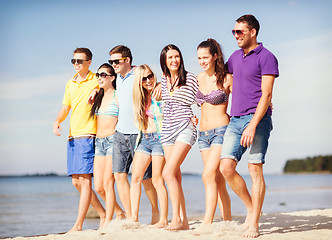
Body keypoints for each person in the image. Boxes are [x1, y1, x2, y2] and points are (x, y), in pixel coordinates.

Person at [219, 14, 279, 238]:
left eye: (239, 31)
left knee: (254, 169)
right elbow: (222, 75)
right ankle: (252, 209)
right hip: (235, 120)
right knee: (225, 168)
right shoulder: (235, 57)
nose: (236, 35)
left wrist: (253, 125)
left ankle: (253, 223)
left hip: (258, 120)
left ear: (252, 32)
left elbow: (267, 94)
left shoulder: (267, 57)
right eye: (234, 32)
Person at [53, 48, 106, 232]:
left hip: (88, 134)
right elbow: (65, 108)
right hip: (72, 136)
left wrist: (97, 90)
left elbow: (108, 82)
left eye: (80, 61)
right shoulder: (70, 83)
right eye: (73, 61)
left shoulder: (95, 78)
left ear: (89, 62)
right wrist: (57, 121)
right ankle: (104, 213)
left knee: (85, 181)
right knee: (76, 182)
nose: (76, 64)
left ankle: (78, 225)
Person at [107, 45, 159, 223]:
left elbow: (152, 81)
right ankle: (131, 217)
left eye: (116, 61)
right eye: (111, 61)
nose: (113, 64)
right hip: (120, 133)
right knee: (119, 174)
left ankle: (155, 212)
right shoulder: (118, 79)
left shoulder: (138, 74)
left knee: (146, 179)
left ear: (127, 60)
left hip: (139, 134)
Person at [193, 39, 232, 234]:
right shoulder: (198, 78)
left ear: (215, 56)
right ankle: (227, 221)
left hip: (221, 131)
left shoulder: (226, 78)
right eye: (199, 58)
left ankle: (207, 222)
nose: (202, 61)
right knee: (217, 179)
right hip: (203, 134)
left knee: (207, 175)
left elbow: (243, 97)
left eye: (205, 57)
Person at [159, 44, 198, 230]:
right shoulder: (163, 80)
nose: (174, 60)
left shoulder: (190, 78)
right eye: (170, 57)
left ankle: (176, 219)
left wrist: (198, 116)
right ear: (164, 61)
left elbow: (203, 98)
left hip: (185, 127)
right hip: (167, 131)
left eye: (177, 56)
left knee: (167, 172)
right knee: (174, 175)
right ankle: (184, 221)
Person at [130, 64, 168, 228]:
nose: (148, 80)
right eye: (144, 78)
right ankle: (134, 219)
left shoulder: (161, 92)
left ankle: (163, 219)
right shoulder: (140, 98)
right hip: (144, 139)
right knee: (136, 178)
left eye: (150, 76)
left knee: (158, 179)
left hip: (160, 139)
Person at [89, 63, 125, 227]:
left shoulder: (118, 96)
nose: (99, 78)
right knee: (98, 186)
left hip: (112, 140)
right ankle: (119, 212)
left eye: (103, 75)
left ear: (112, 77)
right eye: (98, 75)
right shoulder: (98, 96)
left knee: (108, 183)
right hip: (99, 142)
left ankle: (108, 221)